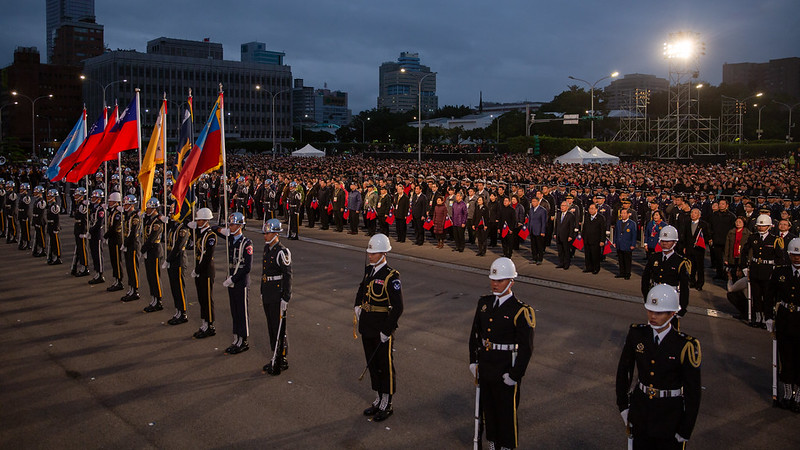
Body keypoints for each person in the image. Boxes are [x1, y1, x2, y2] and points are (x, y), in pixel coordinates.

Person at [616, 284, 702, 449]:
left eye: (659, 312)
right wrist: (623, 405)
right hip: (641, 411)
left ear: (672, 313)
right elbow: (624, 370)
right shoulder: (637, 334)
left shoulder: (685, 345)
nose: (652, 316)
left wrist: (686, 428)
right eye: (650, 311)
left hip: (669, 416)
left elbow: (693, 392)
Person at [468, 257, 535, 449]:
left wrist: (515, 375)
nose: (495, 284)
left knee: (506, 411)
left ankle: (506, 446)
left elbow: (526, 348)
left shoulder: (520, 310)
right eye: (493, 280)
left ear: (511, 281)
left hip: (506, 367)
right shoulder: (484, 303)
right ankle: (493, 442)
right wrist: (473, 361)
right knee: (488, 409)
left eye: (500, 280)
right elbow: (475, 335)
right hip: (486, 365)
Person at [354, 233, 403, 422]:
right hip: (367, 324)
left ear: (383, 254)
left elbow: (398, 307)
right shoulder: (369, 271)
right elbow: (361, 288)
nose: (370, 255)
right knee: (372, 364)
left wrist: (387, 330)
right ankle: (378, 397)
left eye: (373, 253)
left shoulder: (391, 276)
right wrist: (357, 305)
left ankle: (387, 401)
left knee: (385, 365)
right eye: (369, 252)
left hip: (381, 327)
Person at [767, 238, 800, 410]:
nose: (797, 258)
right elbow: (770, 294)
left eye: (799, 255)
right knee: (785, 357)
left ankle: (798, 395)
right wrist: (768, 317)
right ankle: (787, 392)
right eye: (794, 254)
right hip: (785, 318)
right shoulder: (781, 272)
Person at [740, 214, 786, 328]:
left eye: (764, 226)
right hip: (755, 269)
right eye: (759, 226)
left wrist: (776, 272)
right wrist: (744, 267)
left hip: (768, 271)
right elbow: (744, 252)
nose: (761, 228)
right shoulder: (753, 237)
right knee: (756, 296)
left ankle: (767, 319)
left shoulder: (775, 240)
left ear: (769, 226)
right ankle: (757, 318)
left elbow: (780, 258)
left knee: (767, 297)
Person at [218, 212, 253, 354]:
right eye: (230, 224)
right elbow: (214, 228)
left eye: (232, 224)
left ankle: (243, 340)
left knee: (242, 311)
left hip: (240, 281)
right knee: (234, 310)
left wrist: (233, 278)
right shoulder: (230, 239)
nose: (230, 227)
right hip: (231, 279)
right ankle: (236, 337)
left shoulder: (246, 243)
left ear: (240, 226)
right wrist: (223, 230)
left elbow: (247, 267)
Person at [261, 218, 292, 375]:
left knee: (279, 328)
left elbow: (287, 275)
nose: (265, 236)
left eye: (267, 233)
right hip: (268, 291)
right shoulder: (268, 249)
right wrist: (262, 291)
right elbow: (264, 272)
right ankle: (275, 356)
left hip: (277, 294)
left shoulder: (282, 251)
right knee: (271, 327)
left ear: (275, 233)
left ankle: (280, 359)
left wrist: (286, 297)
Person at [190, 207, 217, 338]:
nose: (198, 222)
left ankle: (210, 325)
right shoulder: (200, 232)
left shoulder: (211, 236)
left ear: (206, 220)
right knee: (201, 298)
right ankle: (204, 322)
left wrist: (198, 270)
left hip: (206, 271)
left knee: (207, 298)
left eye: (200, 220)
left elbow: (207, 256)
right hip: (200, 269)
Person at [164, 208, 190, 325]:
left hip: (178, 260)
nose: (170, 214)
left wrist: (168, 259)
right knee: (174, 287)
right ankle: (177, 310)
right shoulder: (174, 227)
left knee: (179, 288)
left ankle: (183, 312)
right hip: (172, 259)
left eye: (172, 213)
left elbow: (178, 247)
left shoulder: (183, 229)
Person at [140, 198, 165, 312]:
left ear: (154, 208)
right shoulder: (149, 220)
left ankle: (158, 300)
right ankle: (153, 298)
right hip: (149, 250)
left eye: (149, 208)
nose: (147, 210)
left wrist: (143, 249)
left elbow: (152, 238)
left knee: (155, 276)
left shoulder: (157, 222)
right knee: (150, 276)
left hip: (154, 250)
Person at [120, 195, 141, 302]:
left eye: (127, 204)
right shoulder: (127, 215)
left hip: (133, 245)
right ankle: (131, 288)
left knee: (133, 268)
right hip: (128, 244)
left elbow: (133, 233)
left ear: (132, 205)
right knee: (128, 267)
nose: (124, 206)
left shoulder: (135, 217)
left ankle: (135, 290)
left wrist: (125, 243)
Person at [686, 208, 711, 291]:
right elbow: (685, 236)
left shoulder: (704, 225)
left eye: (695, 213)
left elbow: (707, 236)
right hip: (689, 248)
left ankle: (700, 283)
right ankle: (692, 282)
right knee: (691, 267)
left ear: (699, 215)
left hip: (699, 249)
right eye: (692, 213)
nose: (693, 214)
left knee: (700, 268)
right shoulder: (687, 223)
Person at [105, 192, 125, 291]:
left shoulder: (118, 213)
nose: (109, 203)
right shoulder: (113, 211)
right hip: (112, 239)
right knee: (113, 260)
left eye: (111, 201)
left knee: (117, 261)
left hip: (116, 239)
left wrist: (106, 235)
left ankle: (119, 281)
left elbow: (114, 227)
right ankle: (116, 279)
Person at [87, 189, 106, 285]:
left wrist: (90, 230)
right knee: (94, 254)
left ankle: (100, 273)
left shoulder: (100, 209)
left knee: (98, 254)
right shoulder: (92, 207)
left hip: (97, 234)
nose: (92, 199)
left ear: (99, 199)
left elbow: (99, 223)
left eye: (95, 197)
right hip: (92, 233)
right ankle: (96, 272)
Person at [582, 203, 606, 274]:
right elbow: (584, 228)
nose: (591, 210)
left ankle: (596, 268)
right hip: (587, 239)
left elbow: (602, 230)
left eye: (592, 209)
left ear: (596, 209)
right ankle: (589, 267)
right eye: (590, 209)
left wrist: (602, 240)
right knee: (588, 255)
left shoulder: (600, 218)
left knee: (595, 255)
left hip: (596, 240)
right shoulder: (587, 217)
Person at [71, 187, 90, 277]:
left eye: (77, 195)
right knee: (79, 248)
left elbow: (85, 219)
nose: (75, 196)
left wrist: (84, 231)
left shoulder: (82, 205)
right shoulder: (78, 204)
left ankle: (85, 267)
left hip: (81, 229)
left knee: (83, 249)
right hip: (77, 228)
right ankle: (80, 265)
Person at [615, 208, 637, 280]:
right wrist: (615, 242)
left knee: (627, 260)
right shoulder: (618, 222)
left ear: (628, 214)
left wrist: (633, 244)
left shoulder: (632, 223)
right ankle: (622, 272)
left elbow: (634, 235)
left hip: (628, 244)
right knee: (620, 259)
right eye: (622, 213)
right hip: (619, 243)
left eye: (624, 213)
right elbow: (616, 233)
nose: (623, 215)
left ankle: (627, 273)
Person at [555, 201, 577, 270]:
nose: (562, 207)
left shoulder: (570, 215)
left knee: (566, 251)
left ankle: (566, 264)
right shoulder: (558, 214)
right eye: (561, 205)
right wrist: (555, 233)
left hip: (566, 236)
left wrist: (570, 236)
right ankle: (561, 263)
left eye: (564, 206)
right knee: (560, 251)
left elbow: (571, 227)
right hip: (559, 235)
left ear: (567, 207)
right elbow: (556, 225)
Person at [527, 196, 547, 265]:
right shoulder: (531, 210)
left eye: (534, 201)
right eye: (532, 201)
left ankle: (540, 259)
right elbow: (529, 220)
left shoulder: (542, 210)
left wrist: (543, 231)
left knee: (539, 246)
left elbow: (544, 222)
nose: (533, 203)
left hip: (539, 230)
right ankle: (534, 258)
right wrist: (528, 228)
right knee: (533, 246)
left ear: (538, 202)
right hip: (532, 230)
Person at [45, 188, 62, 265]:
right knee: (52, 242)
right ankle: (53, 256)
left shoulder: (55, 206)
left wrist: (56, 227)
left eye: (49, 196)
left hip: (53, 225)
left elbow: (57, 218)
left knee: (56, 243)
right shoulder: (50, 205)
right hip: (50, 225)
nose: (48, 197)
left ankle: (58, 256)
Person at [31, 186, 47, 257]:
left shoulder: (41, 202)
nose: (34, 193)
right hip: (36, 220)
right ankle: (38, 248)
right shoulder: (37, 200)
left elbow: (40, 214)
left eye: (36, 192)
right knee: (38, 236)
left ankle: (42, 249)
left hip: (40, 221)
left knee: (41, 236)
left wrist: (38, 222)